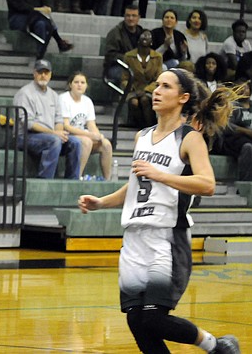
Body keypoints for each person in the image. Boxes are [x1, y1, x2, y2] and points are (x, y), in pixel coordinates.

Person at [78, 68, 241, 354]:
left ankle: (216, 346)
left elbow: (207, 183)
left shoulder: (189, 138)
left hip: (167, 238)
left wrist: (161, 175)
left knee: (153, 318)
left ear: (183, 97)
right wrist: (102, 202)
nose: (157, 90)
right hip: (134, 239)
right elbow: (137, 184)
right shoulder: (143, 136)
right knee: (136, 320)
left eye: (166, 86)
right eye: (157, 85)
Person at [13, 58, 80, 179]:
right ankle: (45, 180)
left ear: (50, 75)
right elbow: (28, 123)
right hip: (26, 136)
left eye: (46, 73)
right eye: (40, 72)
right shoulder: (25, 93)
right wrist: (54, 133)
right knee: (54, 141)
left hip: (49, 135)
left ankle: (72, 180)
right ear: (34, 73)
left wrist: (59, 132)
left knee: (75, 142)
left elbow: (59, 119)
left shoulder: (53, 95)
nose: (43, 75)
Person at [60, 72, 112, 180]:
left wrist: (98, 136)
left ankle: (107, 179)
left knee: (106, 145)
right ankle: (77, 177)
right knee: (86, 141)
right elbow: (66, 126)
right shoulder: (63, 99)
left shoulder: (87, 101)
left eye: (82, 82)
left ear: (86, 85)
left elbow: (91, 124)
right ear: (70, 85)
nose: (79, 85)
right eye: (76, 82)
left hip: (83, 135)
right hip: (67, 136)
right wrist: (88, 135)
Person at [124, 30, 162, 129]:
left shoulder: (158, 57)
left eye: (148, 36)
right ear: (138, 39)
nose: (145, 37)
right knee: (134, 102)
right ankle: (139, 126)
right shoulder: (128, 56)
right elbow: (124, 78)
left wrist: (146, 90)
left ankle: (149, 127)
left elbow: (158, 79)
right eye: (143, 35)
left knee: (145, 99)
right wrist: (131, 88)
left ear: (152, 42)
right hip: (134, 90)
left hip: (150, 89)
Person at [105, 4, 145, 85]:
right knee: (135, 75)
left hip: (137, 66)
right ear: (124, 16)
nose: (130, 18)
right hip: (116, 67)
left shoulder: (142, 33)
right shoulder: (115, 33)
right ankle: (131, 97)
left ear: (138, 18)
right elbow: (110, 56)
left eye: (134, 16)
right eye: (128, 15)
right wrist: (130, 60)